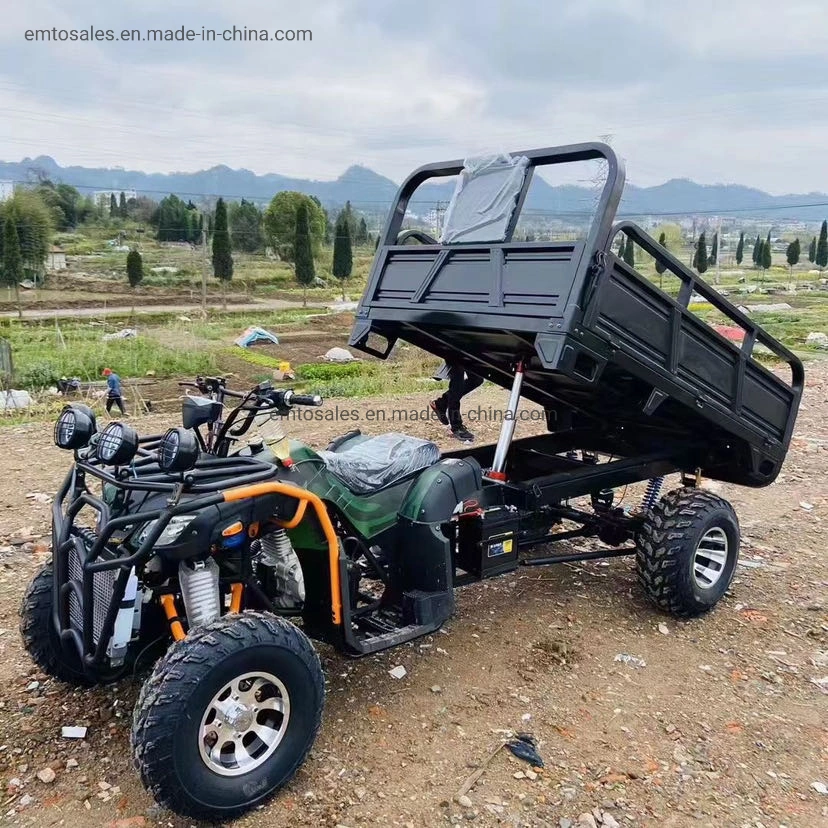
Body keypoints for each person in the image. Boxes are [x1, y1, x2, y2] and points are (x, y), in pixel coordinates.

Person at [430, 361, 483, 442]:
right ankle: (456, 427)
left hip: (466, 352)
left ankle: (441, 403)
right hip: (454, 352)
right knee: (457, 384)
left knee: (476, 379)